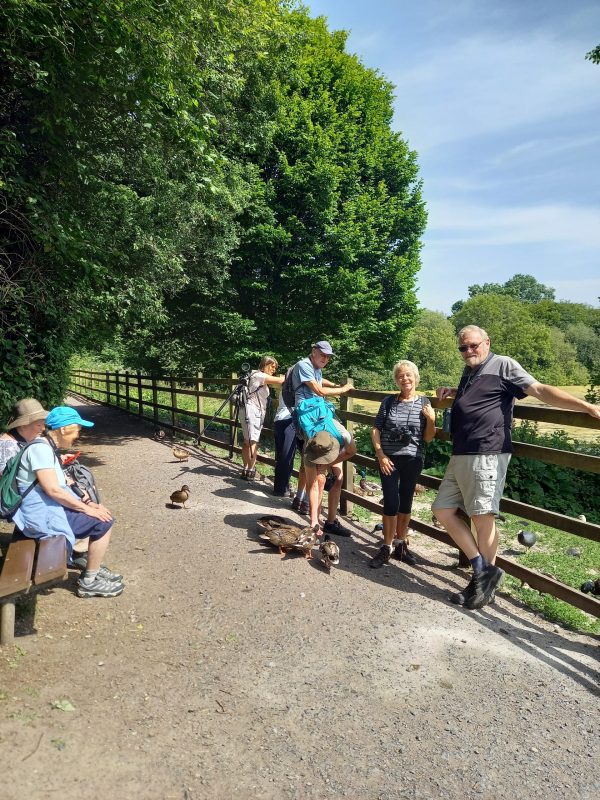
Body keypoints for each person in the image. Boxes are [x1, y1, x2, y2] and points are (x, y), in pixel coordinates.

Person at [432, 325, 600, 610]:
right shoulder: (470, 371)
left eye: (473, 345)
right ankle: (483, 571)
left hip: (486, 452)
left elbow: (540, 390)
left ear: (487, 342)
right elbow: (481, 397)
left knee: (482, 517)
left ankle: (482, 586)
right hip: (462, 452)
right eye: (463, 347)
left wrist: (585, 406)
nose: (468, 351)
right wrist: (455, 392)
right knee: (442, 509)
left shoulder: (503, 365)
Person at [11, 405, 124, 598]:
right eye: (77, 429)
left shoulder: (46, 447)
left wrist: (89, 503)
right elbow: (53, 490)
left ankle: (93, 570)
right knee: (103, 523)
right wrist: (87, 510)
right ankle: (89, 581)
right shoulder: (40, 450)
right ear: (63, 429)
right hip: (40, 514)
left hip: (46, 507)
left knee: (101, 516)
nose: (78, 434)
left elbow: (62, 486)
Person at [369, 360, 436, 568]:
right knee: (391, 502)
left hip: (413, 458)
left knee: (406, 502)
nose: (404, 378)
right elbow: (376, 429)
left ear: (416, 378)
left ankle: (400, 544)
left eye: (408, 375)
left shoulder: (424, 403)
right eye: (400, 376)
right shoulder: (389, 402)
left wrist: (432, 420)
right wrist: (380, 454)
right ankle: (386, 547)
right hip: (388, 459)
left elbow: (428, 438)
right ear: (396, 380)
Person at [290, 341, 356, 536]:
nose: (325, 359)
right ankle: (315, 522)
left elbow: (320, 381)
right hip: (311, 419)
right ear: (314, 351)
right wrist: (343, 389)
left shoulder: (316, 368)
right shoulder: (303, 365)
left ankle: (325, 465)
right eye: (322, 355)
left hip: (321, 417)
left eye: (328, 356)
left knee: (348, 449)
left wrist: (334, 384)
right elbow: (319, 390)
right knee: (317, 478)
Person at [239, 356, 284, 481]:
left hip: (246, 410)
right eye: (272, 366)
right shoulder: (260, 376)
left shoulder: (253, 375)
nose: (274, 370)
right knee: (252, 442)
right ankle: (251, 470)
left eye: (275, 367)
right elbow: (280, 380)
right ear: (265, 365)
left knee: (247, 441)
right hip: (253, 412)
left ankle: (246, 469)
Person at [1, 398, 49, 473]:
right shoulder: (7, 447)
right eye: (39, 425)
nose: (43, 428)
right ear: (23, 425)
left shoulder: (25, 439)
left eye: (44, 424)